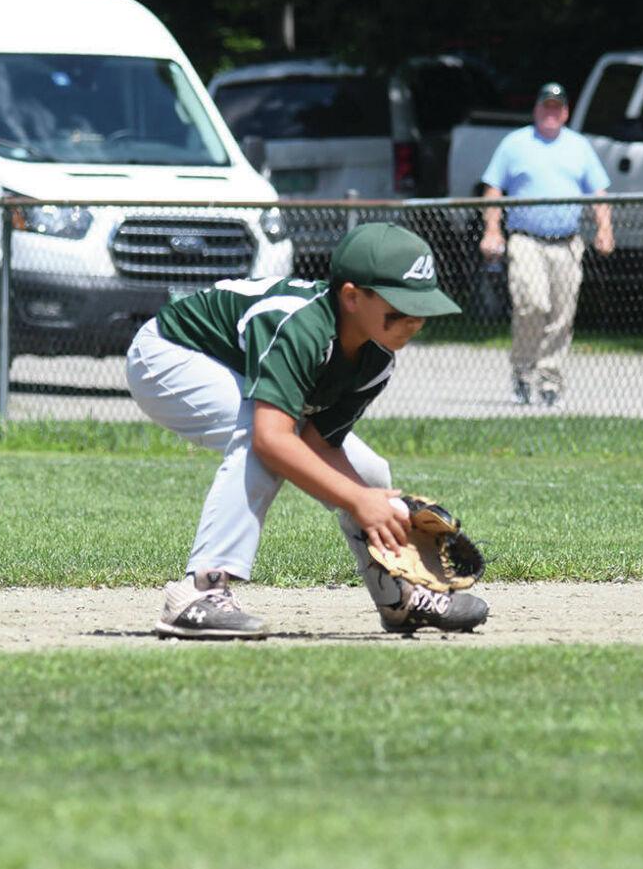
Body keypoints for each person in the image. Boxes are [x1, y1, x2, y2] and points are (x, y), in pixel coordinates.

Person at [124, 222, 491, 640]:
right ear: (352, 296)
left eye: (422, 309)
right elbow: (271, 438)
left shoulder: (377, 357)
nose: (413, 321)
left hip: (227, 369)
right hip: (168, 354)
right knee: (263, 440)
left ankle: (399, 599)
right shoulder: (301, 326)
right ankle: (199, 592)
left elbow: (320, 444)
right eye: (399, 308)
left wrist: (374, 504)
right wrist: (354, 499)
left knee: (371, 473)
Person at [479, 81, 614, 407]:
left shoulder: (579, 146)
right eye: (545, 107)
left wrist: (605, 228)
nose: (550, 113)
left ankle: (550, 379)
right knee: (532, 304)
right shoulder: (515, 144)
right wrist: (492, 230)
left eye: (557, 107)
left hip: (567, 243)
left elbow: (599, 192)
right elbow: (493, 189)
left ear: (565, 112)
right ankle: (523, 370)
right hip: (526, 240)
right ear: (536, 110)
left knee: (562, 314)